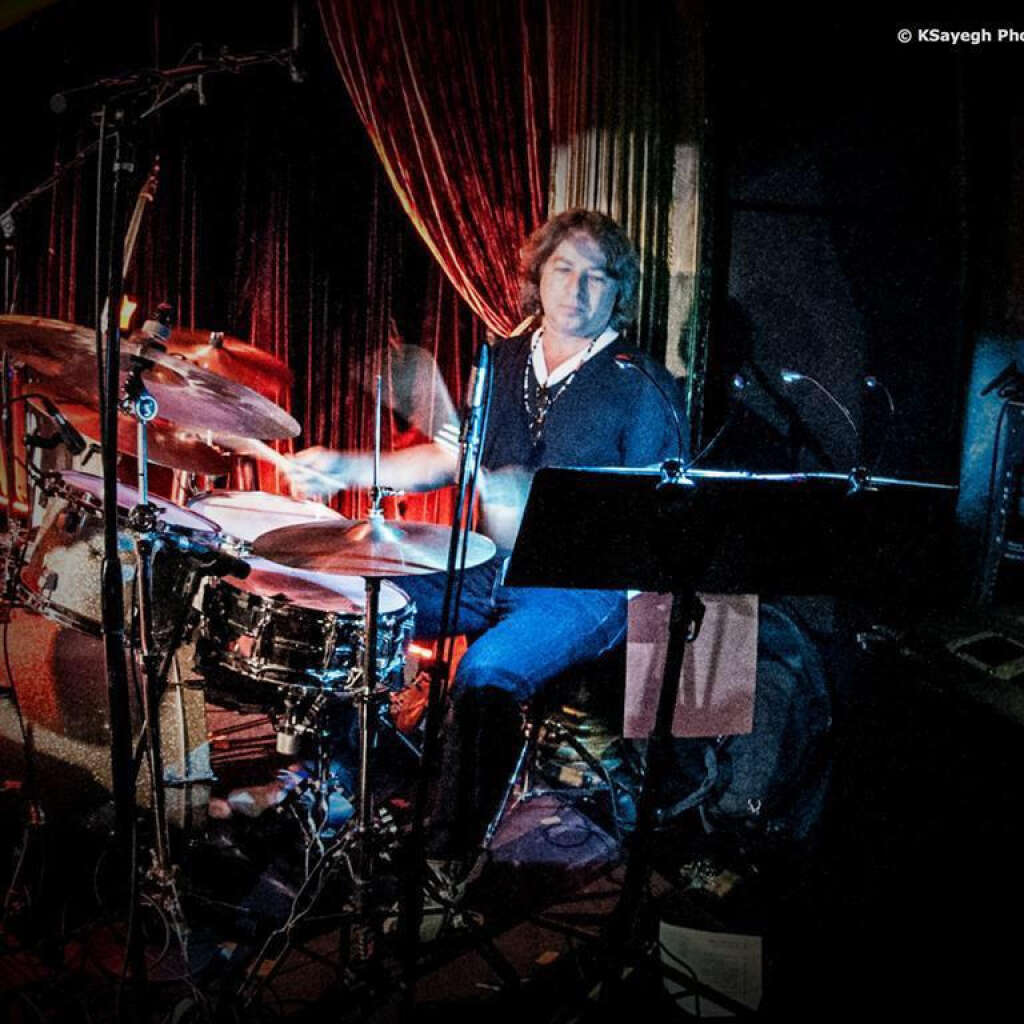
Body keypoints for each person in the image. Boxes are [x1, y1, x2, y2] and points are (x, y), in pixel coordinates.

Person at [286, 209, 687, 874]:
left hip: (581, 591)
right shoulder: (500, 361)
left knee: (484, 672)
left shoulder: (641, 384)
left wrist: (537, 504)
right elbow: (452, 457)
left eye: (597, 276)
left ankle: (449, 860)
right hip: (487, 566)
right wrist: (346, 467)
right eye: (563, 269)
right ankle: (340, 782)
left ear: (618, 290)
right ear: (538, 277)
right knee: (357, 604)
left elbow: (650, 517)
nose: (577, 288)